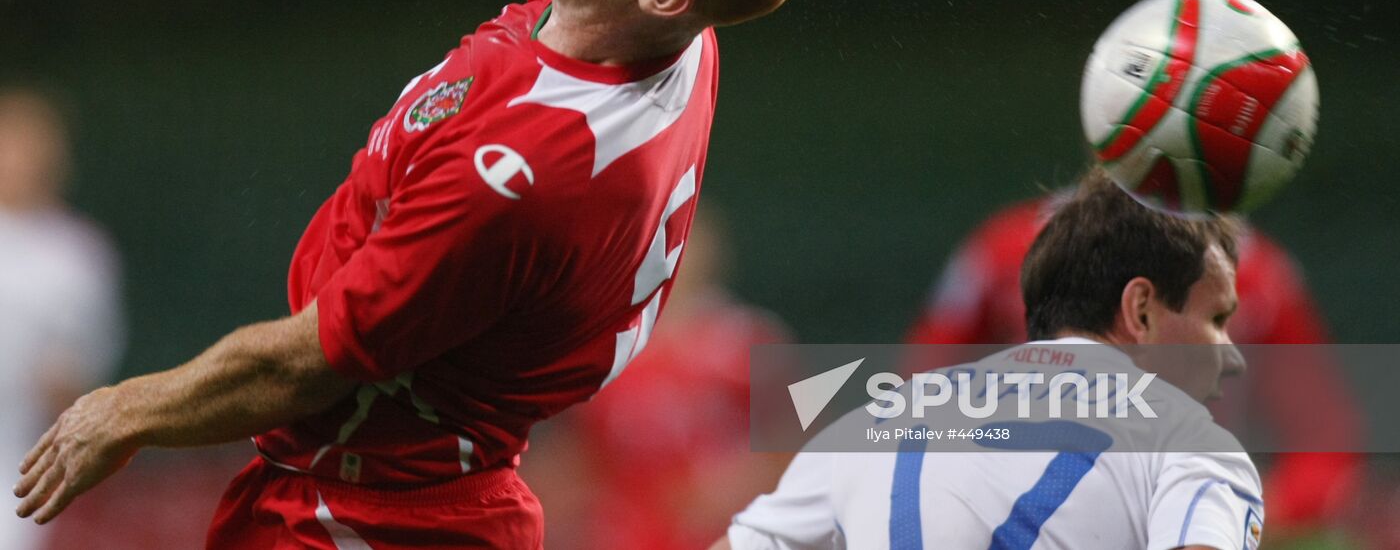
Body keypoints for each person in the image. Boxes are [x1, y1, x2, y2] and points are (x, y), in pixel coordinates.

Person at [13, 0, 813, 549]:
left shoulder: (534, 187)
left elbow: (303, 366)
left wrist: (123, 413)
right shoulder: (663, 33)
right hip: (413, 493)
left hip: (370, 519)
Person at [716, 169, 1264, 550]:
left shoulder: (870, 426)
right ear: (1140, 309)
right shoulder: (1191, 447)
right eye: (1217, 318)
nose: (1231, 354)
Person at [904, 193, 1362, 533]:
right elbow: (918, 404)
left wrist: (1233, 514)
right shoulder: (1005, 254)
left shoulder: (1259, 275)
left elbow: (1326, 446)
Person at [522, 207, 791, 549]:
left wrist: (741, 483)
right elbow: (579, 456)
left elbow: (797, 447)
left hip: (723, 534)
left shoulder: (748, 341)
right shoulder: (607, 349)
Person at [0, 89, 124, 550]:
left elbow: (75, 381)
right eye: (9, 141)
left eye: (31, 144)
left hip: (18, 463)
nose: (19, 158)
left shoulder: (78, 255)